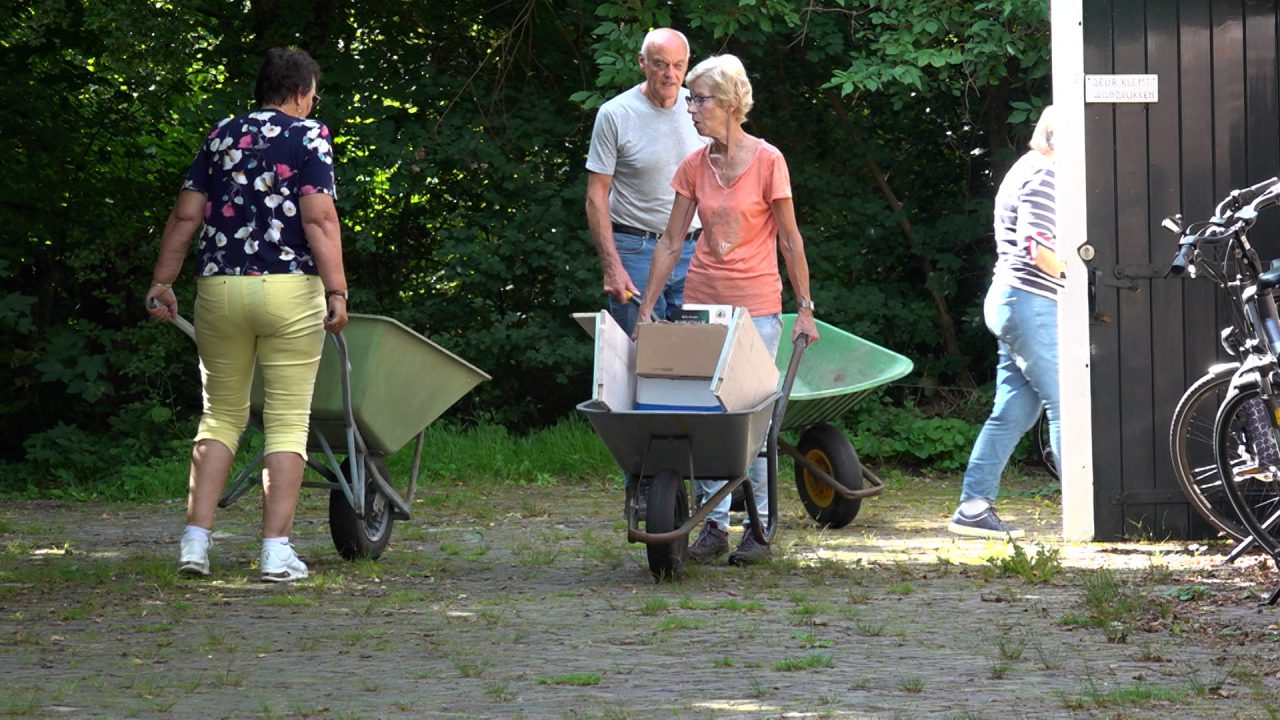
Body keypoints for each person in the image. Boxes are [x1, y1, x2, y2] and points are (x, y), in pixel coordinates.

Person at [145, 47, 348, 582]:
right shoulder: (309, 136)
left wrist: (162, 282)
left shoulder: (221, 134)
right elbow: (321, 219)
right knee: (286, 424)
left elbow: (187, 214)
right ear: (303, 92)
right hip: (287, 292)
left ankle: (195, 544)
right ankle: (275, 552)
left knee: (220, 416)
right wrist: (338, 292)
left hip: (220, 289)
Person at [636, 54, 820, 565]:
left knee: (750, 417)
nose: (690, 108)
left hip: (757, 307)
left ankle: (758, 528)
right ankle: (713, 526)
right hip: (703, 304)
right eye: (690, 99)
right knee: (707, 414)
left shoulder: (767, 160)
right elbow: (673, 240)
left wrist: (803, 309)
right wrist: (648, 308)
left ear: (732, 103)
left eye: (700, 99)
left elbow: (789, 238)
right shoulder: (695, 165)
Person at [948, 106, 1062, 539]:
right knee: (1065, 406)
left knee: (1014, 410)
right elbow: (1038, 246)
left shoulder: (1024, 167)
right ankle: (1086, 512)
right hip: (1030, 301)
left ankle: (973, 507)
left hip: (1012, 300)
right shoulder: (1046, 175)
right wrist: (1076, 275)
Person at [586, 28, 708, 334]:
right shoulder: (615, 114)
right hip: (636, 250)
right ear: (642, 62)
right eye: (660, 64)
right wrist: (612, 267)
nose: (670, 74)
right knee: (637, 357)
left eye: (678, 65)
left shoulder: (703, 108)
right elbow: (596, 195)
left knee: (696, 359)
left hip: (693, 249)